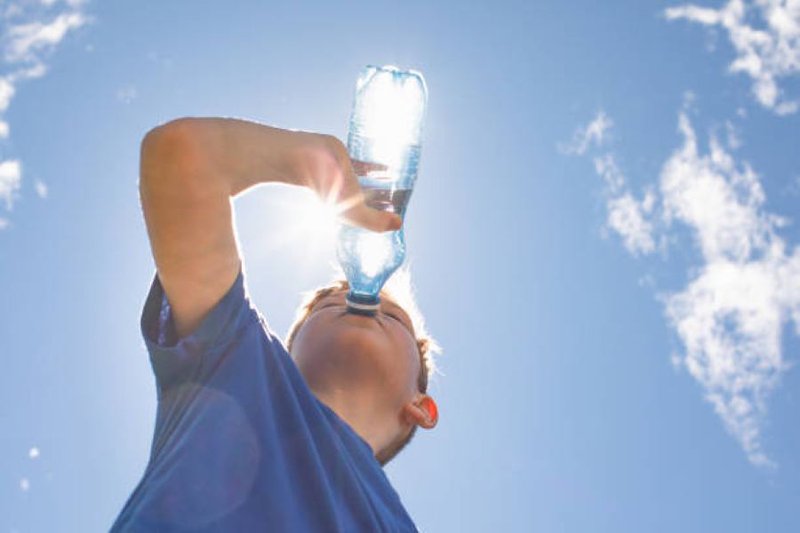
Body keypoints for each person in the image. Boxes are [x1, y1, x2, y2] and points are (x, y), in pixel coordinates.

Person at [110, 117, 440, 532]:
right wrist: (299, 159)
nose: (361, 300)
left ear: (421, 408)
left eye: (394, 318)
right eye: (324, 303)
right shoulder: (236, 363)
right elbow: (184, 153)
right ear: (288, 353)